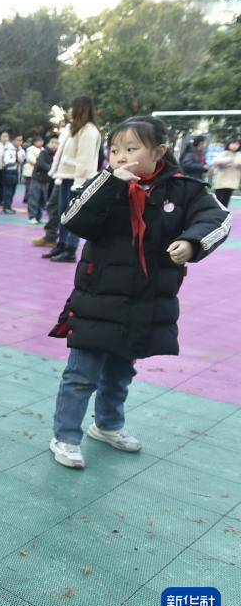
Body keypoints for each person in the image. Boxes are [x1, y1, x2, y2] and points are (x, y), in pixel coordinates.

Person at [47, 115, 230, 470]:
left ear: (159, 151)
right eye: (115, 149)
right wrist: (109, 183)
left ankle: (107, 425)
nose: (121, 156)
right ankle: (65, 436)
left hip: (143, 302)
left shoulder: (185, 189)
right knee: (82, 375)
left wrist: (192, 242)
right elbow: (73, 219)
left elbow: (219, 219)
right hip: (97, 298)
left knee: (120, 373)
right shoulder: (103, 183)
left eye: (131, 149)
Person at [46, 96, 102, 263]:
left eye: (73, 107)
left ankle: (70, 249)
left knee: (73, 216)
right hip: (66, 177)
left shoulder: (89, 131)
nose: (70, 111)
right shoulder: (75, 128)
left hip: (76, 180)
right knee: (64, 214)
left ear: (81, 109)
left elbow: (85, 161)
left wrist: (79, 184)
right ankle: (62, 244)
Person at [27, 135, 59, 224]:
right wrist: (53, 168)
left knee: (43, 200)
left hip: (46, 180)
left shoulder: (56, 155)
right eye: (52, 143)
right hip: (37, 178)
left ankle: (39, 217)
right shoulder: (43, 152)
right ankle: (32, 217)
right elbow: (41, 164)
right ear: (48, 144)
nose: (54, 145)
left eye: (56, 143)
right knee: (34, 198)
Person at [210, 137, 241, 208]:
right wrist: (227, 161)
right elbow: (215, 162)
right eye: (232, 143)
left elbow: (238, 162)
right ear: (229, 144)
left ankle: (223, 213)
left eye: (236, 144)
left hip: (232, 181)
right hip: (221, 181)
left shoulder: (239, 154)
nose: (234, 146)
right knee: (218, 200)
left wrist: (234, 163)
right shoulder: (225, 153)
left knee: (226, 201)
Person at [0, 134, 24, 214]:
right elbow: (6, 161)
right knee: (8, 191)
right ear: (13, 141)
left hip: (16, 172)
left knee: (13, 191)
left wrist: (19, 161)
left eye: (21, 140)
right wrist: (16, 161)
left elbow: (22, 160)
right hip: (9, 171)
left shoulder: (21, 150)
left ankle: (9, 206)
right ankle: (6, 207)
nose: (20, 142)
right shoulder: (8, 149)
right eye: (18, 140)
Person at [22, 135, 42, 205]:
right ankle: (27, 198)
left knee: (35, 187)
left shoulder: (42, 149)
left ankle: (32, 198)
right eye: (39, 141)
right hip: (29, 171)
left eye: (41, 141)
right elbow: (30, 159)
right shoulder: (30, 149)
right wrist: (39, 163)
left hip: (38, 171)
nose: (41, 143)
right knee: (29, 186)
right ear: (35, 142)